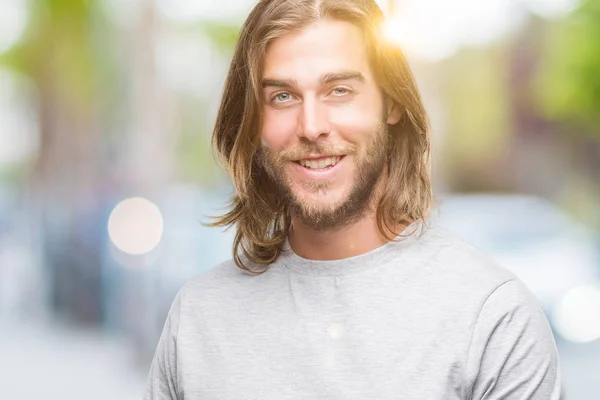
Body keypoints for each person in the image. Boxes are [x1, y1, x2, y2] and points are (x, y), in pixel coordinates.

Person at [144, 0, 565, 398]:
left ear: (392, 102)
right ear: (254, 122)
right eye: (282, 96)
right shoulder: (198, 318)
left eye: (339, 90)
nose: (311, 126)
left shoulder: (491, 318)